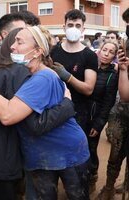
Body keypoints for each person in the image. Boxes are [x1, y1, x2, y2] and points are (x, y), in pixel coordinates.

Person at [0, 28, 76, 200]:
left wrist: (67, 105)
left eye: (19, 41)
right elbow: (9, 104)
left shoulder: (37, 76)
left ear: (38, 50)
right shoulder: (22, 72)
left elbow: (20, 118)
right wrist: (67, 104)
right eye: (13, 39)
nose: (12, 46)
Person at [50, 9, 98, 192]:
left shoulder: (89, 56)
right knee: (54, 153)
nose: (73, 28)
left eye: (78, 25)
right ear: (64, 26)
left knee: (77, 160)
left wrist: (67, 76)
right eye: (70, 25)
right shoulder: (53, 52)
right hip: (53, 111)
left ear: (83, 29)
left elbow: (88, 88)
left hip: (79, 113)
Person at [96, 8, 129, 200]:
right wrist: (122, 68)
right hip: (122, 110)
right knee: (114, 154)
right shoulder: (125, 43)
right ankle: (108, 187)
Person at [85, 41, 119, 192]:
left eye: (111, 52)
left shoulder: (113, 76)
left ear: (114, 56)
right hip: (80, 115)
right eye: (104, 49)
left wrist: (98, 124)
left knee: (91, 148)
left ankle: (92, 176)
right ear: (99, 50)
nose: (106, 53)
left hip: (95, 117)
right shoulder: (89, 68)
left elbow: (108, 103)